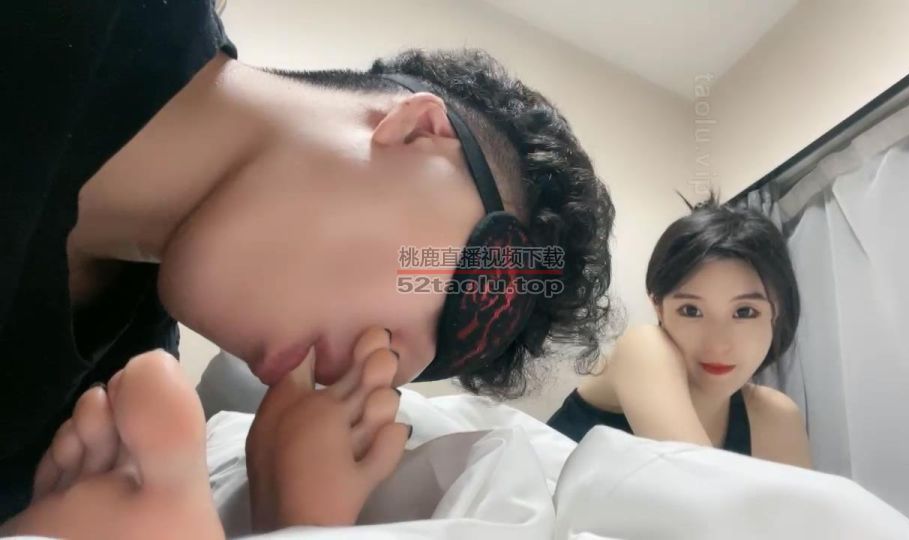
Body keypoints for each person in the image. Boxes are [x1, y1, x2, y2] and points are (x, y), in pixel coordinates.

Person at [1, 0, 616, 529]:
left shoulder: (107, 414)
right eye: (468, 291)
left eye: (427, 370)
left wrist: (291, 526)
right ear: (417, 130)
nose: (379, 368)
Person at [547, 194, 812, 468]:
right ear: (658, 307)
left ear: (777, 312)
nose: (718, 345)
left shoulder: (776, 418)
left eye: (744, 312)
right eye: (691, 311)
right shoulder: (642, 349)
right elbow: (696, 483)